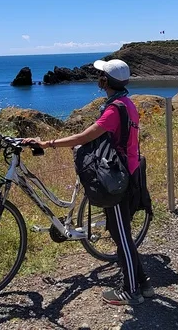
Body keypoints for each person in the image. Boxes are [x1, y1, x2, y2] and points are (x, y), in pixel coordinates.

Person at [22, 58, 154, 306]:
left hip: (118, 176)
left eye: (101, 75)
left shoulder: (115, 109)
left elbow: (85, 135)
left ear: (106, 81)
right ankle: (144, 283)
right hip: (128, 170)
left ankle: (132, 290)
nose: (98, 78)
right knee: (120, 232)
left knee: (121, 235)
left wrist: (48, 144)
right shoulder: (126, 102)